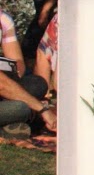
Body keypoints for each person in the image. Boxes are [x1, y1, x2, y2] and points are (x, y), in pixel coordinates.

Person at [0, 9, 55, 137]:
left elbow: (17, 61)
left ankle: (12, 123)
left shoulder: (3, 18)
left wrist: (14, 74)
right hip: (2, 85)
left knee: (37, 84)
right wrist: (42, 109)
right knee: (20, 108)